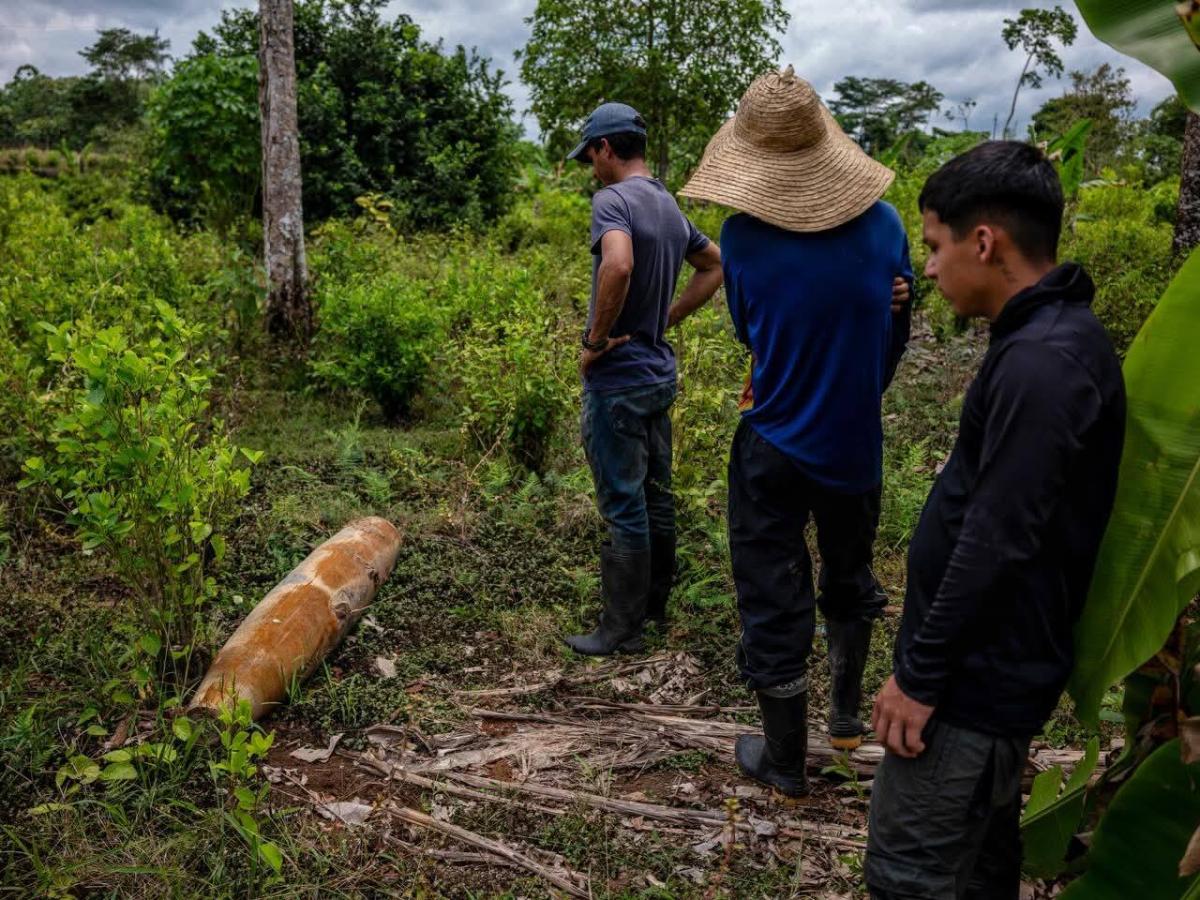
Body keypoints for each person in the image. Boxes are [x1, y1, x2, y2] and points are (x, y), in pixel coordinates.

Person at [866, 141, 1126, 898]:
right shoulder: (1045, 340)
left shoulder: (1044, 362)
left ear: (984, 241)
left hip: (971, 689)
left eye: (936, 245)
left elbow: (998, 536)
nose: (929, 268)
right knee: (977, 872)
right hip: (984, 676)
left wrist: (919, 677)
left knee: (909, 876)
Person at [679, 67, 913, 796]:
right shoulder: (888, 227)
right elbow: (894, 335)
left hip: (774, 442)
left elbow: (752, 333)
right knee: (850, 577)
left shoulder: (742, 238)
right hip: (855, 442)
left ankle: (784, 758)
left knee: (772, 592)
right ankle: (845, 720)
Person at [563, 102, 724, 656]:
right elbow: (716, 264)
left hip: (619, 381)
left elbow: (618, 264)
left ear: (606, 148)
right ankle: (653, 610)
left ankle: (621, 629)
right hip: (657, 376)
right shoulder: (667, 204)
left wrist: (594, 342)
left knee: (624, 504)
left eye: (590, 155)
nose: (591, 167)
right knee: (658, 496)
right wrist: (665, 318)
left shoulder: (613, 201)